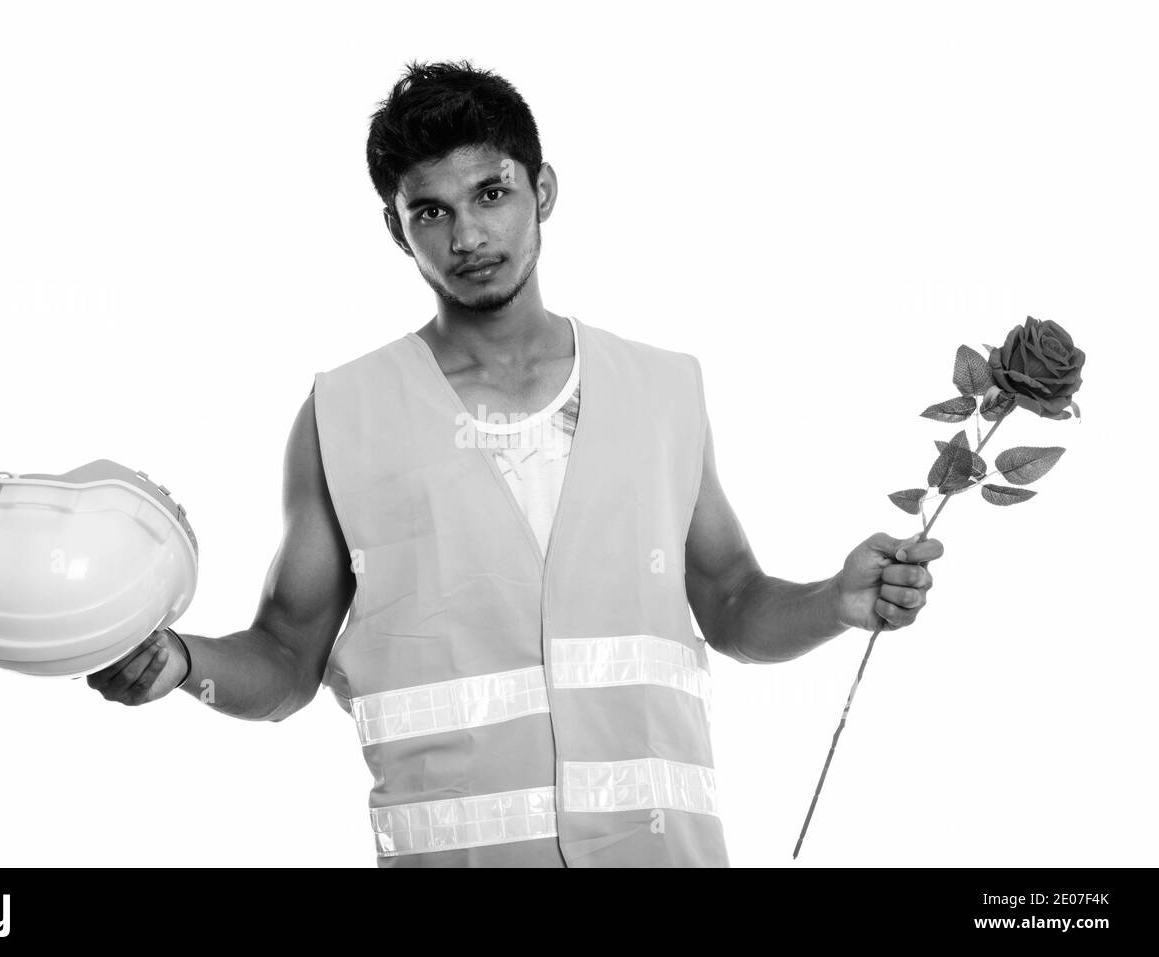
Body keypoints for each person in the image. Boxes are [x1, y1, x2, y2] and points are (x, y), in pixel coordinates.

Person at [87, 59, 943, 866]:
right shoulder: (341, 415)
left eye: (491, 193)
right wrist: (183, 665)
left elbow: (728, 600)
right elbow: (283, 657)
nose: (467, 235)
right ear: (397, 228)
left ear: (543, 190)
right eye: (431, 211)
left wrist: (837, 601)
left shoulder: (662, 389)